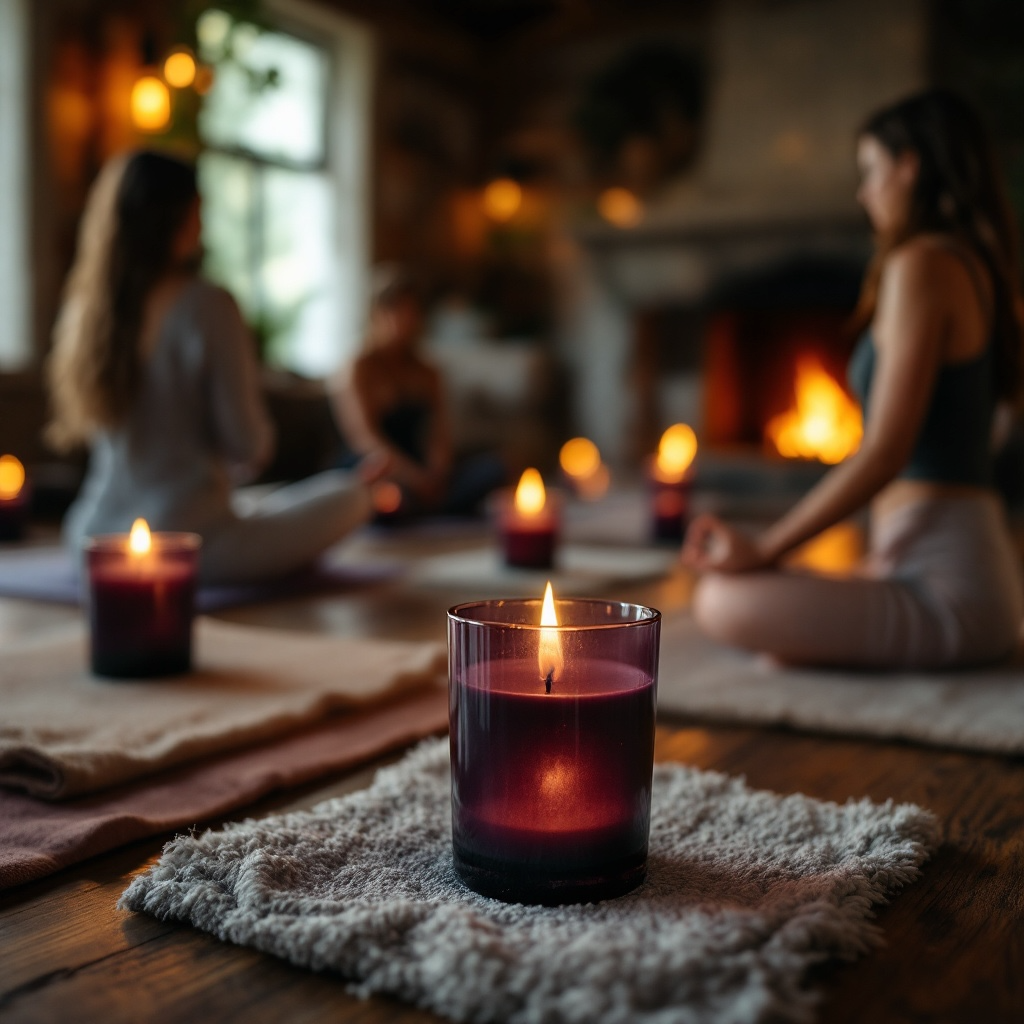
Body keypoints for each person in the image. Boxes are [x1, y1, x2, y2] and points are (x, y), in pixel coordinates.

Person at [682, 89, 1024, 670]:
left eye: (870, 170)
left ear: (908, 165)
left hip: (952, 593)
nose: (863, 192)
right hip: (944, 566)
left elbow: (886, 451)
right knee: (746, 596)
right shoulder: (972, 263)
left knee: (720, 600)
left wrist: (766, 547)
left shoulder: (924, 263)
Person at [48, 150, 370, 584]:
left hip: (91, 541)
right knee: (351, 496)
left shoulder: (85, 314)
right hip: (192, 546)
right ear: (180, 217)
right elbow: (249, 446)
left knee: (261, 505)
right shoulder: (206, 305)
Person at [331, 267, 505, 519]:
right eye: (396, 310)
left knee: (493, 468)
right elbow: (365, 439)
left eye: (410, 310)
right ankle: (427, 507)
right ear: (376, 314)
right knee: (382, 491)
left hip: (419, 463)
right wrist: (414, 478)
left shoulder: (427, 372)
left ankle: (426, 506)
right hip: (380, 465)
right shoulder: (359, 368)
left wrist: (437, 472)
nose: (404, 319)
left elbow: (438, 432)